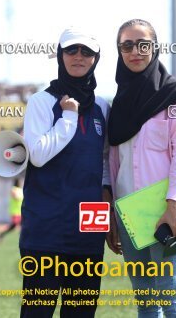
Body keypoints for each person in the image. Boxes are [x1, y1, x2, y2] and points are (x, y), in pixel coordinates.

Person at [107, 19, 176, 318]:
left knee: (170, 293)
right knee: (146, 300)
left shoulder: (175, 96)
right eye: (127, 45)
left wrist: (174, 203)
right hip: (129, 213)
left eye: (143, 44)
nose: (135, 51)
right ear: (119, 51)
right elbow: (112, 162)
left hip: (167, 210)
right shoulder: (118, 104)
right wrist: (112, 214)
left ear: (155, 47)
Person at [19, 27, 111, 318]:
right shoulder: (41, 102)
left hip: (89, 227)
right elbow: (38, 155)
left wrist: (107, 205)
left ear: (96, 58)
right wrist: (68, 117)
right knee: (38, 312)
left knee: (81, 313)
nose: (79, 57)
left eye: (87, 52)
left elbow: (106, 161)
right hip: (45, 227)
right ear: (60, 55)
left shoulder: (102, 107)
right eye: (72, 50)